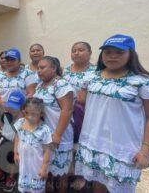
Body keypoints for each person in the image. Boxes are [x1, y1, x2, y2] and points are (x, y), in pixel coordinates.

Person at [75, 34, 149, 193]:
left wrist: (146, 151)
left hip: (123, 149)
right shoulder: (91, 77)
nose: (112, 56)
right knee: (98, 183)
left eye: (119, 52)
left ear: (131, 54)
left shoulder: (144, 82)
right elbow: (83, 100)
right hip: (93, 143)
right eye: (108, 52)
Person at [34, 56, 74, 192]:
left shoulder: (61, 85)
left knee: (61, 173)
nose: (39, 71)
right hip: (44, 135)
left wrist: (57, 135)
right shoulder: (40, 85)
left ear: (54, 68)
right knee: (46, 168)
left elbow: (67, 110)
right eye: (38, 68)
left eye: (42, 67)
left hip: (59, 134)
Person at [62, 42, 96, 190]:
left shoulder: (96, 72)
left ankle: (82, 176)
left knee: (83, 144)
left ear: (90, 52)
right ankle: (69, 172)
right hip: (67, 112)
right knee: (69, 142)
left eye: (81, 50)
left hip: (87, 114)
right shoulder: (65, 70)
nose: (76, 53)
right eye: (74, 50)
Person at [14, 97, 53, 193]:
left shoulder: (44, 130)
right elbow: (17, 138)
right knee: (25, 188)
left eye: (33, 114)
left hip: (37, 166)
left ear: (41, 114)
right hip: (24, 165)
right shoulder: (20, 123)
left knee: (37, 189)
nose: (29, 117)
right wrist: (16, 153)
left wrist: (44, 168)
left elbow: (47, 151)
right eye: (27, 113)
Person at [0, 90, 25, 192]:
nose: (11, 109)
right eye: (10, 106)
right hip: (4, 138)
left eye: (15, 107)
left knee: (12, 160)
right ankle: (0, 172)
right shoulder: (5, 113)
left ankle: (11, 177)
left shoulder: (23, 118)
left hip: (16, 142)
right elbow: (1, 123)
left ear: (22, 107)